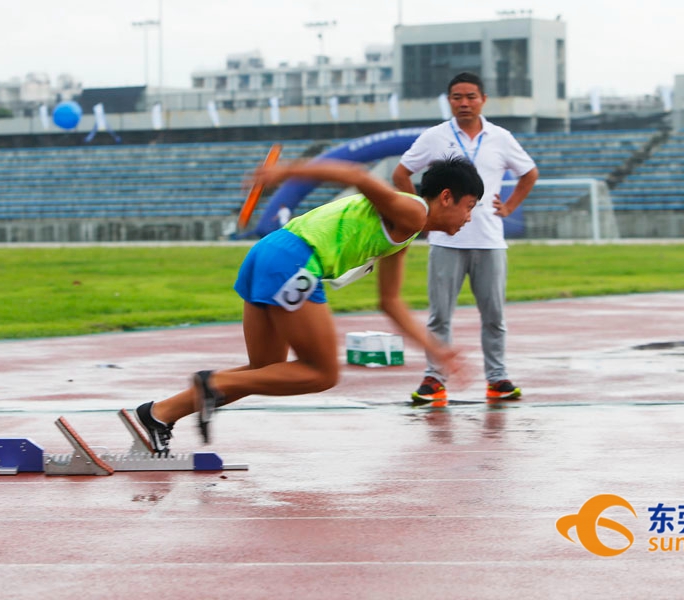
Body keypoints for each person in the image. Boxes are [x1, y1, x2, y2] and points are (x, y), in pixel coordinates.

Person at [135, 156, 484, 453]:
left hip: (268, 252)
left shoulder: (405, 231)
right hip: (295, 261)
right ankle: (211, 383)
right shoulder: (411, 210)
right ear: (446, 197)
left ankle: (159, 413)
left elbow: (389, 301)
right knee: (321, 373)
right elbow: (357, 176)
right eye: (469, 207)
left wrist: (435, 348)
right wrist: (285, 173)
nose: (469, 218)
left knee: (266, 368)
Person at [392, 72, 539, 406]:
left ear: (483, 99)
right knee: (439, 316)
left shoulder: (500, 137)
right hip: (445, 241)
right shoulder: (435, 137)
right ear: (449, 101)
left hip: (489, 239)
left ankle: (497, 378)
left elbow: (529, 172)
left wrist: (510, 205)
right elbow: (401, 173)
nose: (464, 103)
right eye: (457, 97)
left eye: (471, 96)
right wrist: (421, 214)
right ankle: (435, 378)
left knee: (494, 316)